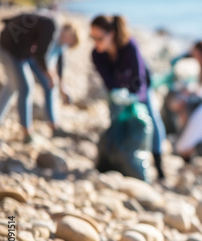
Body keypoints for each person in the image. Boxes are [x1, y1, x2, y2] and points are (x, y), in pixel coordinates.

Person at [90, 15, 166, 180]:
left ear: (111, 34)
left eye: (99, 38)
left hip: (141, 89)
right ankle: (116, 161)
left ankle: (159, 167)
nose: (96, 42)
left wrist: (134, 98)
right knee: (116, 122)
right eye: (92, 38)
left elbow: (140, 81)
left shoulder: (129, 47)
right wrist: (117, 93)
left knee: (151, 120)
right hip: (118, 91)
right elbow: (108, 81)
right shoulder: (97, 55)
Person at [0, 13, 79, 142]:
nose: (67, 44)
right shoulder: (53, 26)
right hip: (9, 48)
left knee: (13, 86)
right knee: (25, 87)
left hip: (22, 52)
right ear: (71, 31)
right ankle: (27, 133)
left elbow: (59, 60)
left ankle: (52, 125)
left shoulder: (57, 33)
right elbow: (41, 54)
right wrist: (50, 74)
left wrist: (60, 83)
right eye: (70, 41)